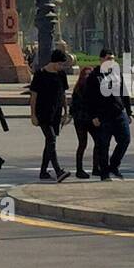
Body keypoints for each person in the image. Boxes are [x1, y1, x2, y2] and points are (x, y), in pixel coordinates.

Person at [86, 49, 131, 180]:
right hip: (102, 116)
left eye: (113, 58)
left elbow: (125, 93)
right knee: (103, 145)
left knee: (125, 140)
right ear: (101, 60)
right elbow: (89, 98)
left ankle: (114, 166)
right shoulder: (94, 76)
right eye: (108, 58)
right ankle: (104, 173)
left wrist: (129, 112)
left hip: (119, 113)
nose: (111, 61)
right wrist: (93, 116)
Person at [28, 48, 71, 181]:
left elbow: (63, 93)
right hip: (43, 113)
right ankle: (58, 171)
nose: (62, 67)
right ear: (55, 62)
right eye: (61, 64)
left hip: (56, 113)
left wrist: (65, 111)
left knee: (50, 142)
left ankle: (43, 171)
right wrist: (33, 115)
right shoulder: (40, 74)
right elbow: (33, 96)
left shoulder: (61, 74)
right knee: (51, 139)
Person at [70, 65, 95, 179]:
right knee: (84, 144)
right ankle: (80, 170)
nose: (88, 77)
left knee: (97, 142)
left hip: (84, 119)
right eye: (86, 74)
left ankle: (95, 167)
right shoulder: (82, 88)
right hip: (83, 119)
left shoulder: (80, 87)